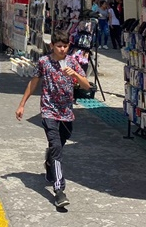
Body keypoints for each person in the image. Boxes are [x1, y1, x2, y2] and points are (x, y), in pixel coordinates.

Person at [15, 30, 91, 208]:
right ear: (52, 46)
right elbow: (33, 82)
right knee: (56, 147)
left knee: (59, 145)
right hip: (49, 110)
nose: (62, 49)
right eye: (59, 46)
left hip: (66, 112)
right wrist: (22, 104)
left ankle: (50, 161)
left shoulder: (72, 62)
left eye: (65, 46)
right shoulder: (44, 62)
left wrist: (75, 75)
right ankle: (59, 190)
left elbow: (87, 85)